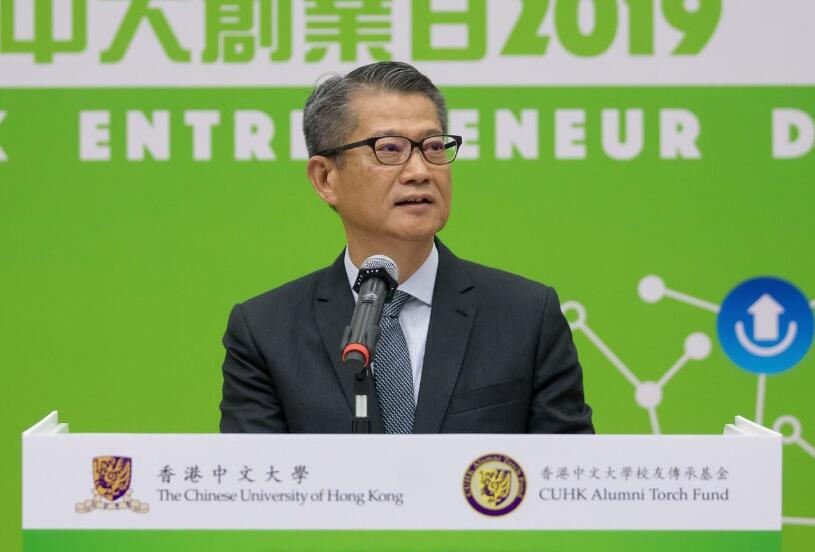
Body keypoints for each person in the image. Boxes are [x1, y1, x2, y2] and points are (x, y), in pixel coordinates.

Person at [219, 61, 593, 434]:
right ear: (326, 178)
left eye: (433, 147)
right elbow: (259, 472)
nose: (419, 171)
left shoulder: (527, 317)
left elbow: (567, 466)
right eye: (389, 149)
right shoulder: (265, 332)